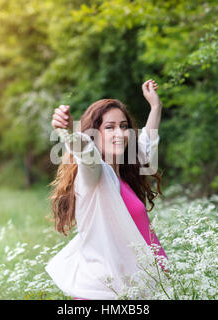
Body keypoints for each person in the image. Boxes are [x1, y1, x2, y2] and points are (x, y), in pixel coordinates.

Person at [46, 80, 168, 300]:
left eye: (123, 126)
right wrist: (68, 134)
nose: (119, 134)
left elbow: (147, 143)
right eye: (109, 127)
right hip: (108, 294)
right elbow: (86, 154)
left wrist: (155, 106)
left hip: (134, 291)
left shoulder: (125, 171)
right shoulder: (95, 175)